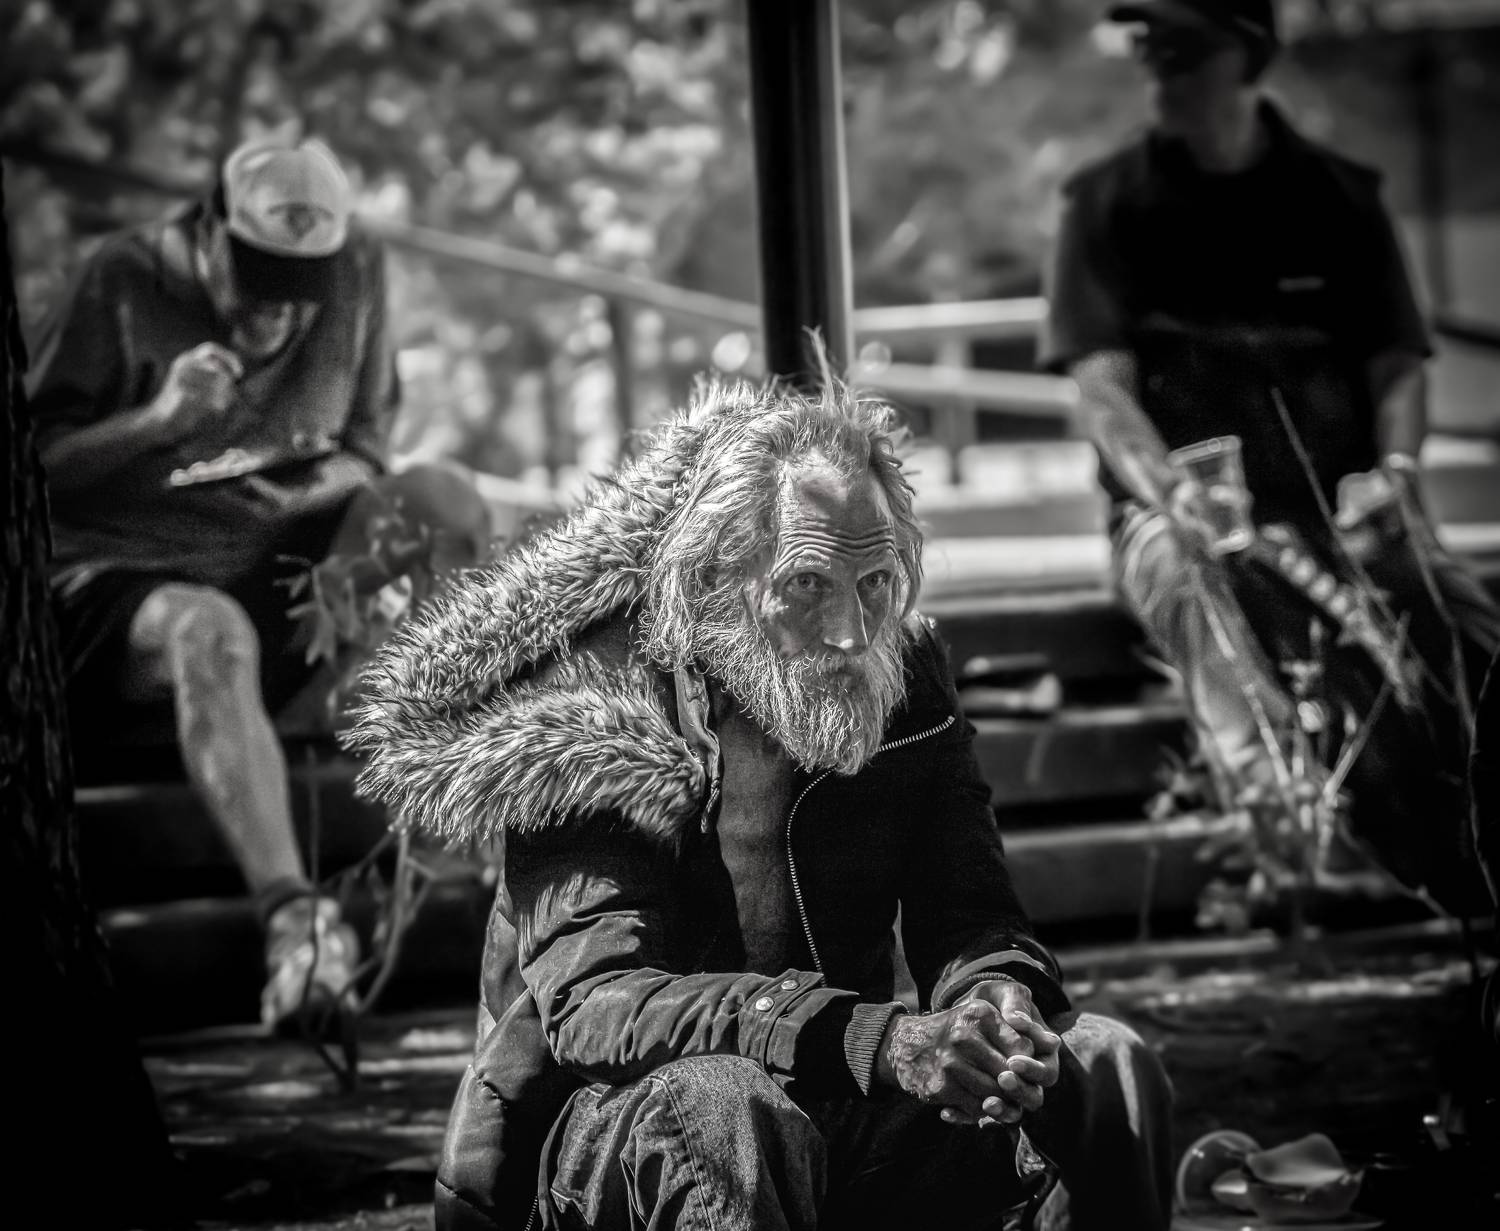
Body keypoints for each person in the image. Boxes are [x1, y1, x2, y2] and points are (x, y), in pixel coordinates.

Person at [349, 378, 1174, 1230]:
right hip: (617, 1133)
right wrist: (880, 1040)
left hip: (839, 1101)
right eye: (808, 583)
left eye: (875, 581)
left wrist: (998, 1000)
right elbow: (599, 1005)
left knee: (1103, 1061)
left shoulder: (901, 672)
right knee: (721, 1104)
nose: (851, 631)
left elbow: (972, 913)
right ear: (716, 575)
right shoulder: (589, 700)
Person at [1040, 0, 1500, 914]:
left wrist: (1397, 477)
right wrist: (1169, 490)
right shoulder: (1103, 201)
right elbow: (1100, 389)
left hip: (1339, 507)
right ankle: (1296, 841)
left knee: (1456, 612)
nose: (1160, 65)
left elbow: (1398, 367)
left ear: (1248, 57)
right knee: (1198, 588)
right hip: (1171, 515)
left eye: (1185, 46)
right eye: (1149, 46)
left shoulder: (1340, 195)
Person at [29, 134, 492, 1031]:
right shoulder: (118, 279)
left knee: (445, 501)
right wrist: (157, 420)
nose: (277, 312)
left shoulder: (358, 269)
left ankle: (451, 803)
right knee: (211, 633)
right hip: (124, 580)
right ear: (211, 233)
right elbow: (35, 475)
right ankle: (294, 922)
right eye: (258, 281)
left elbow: (367, 445)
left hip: (276, 561)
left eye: (299, 289)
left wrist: (339, 556)